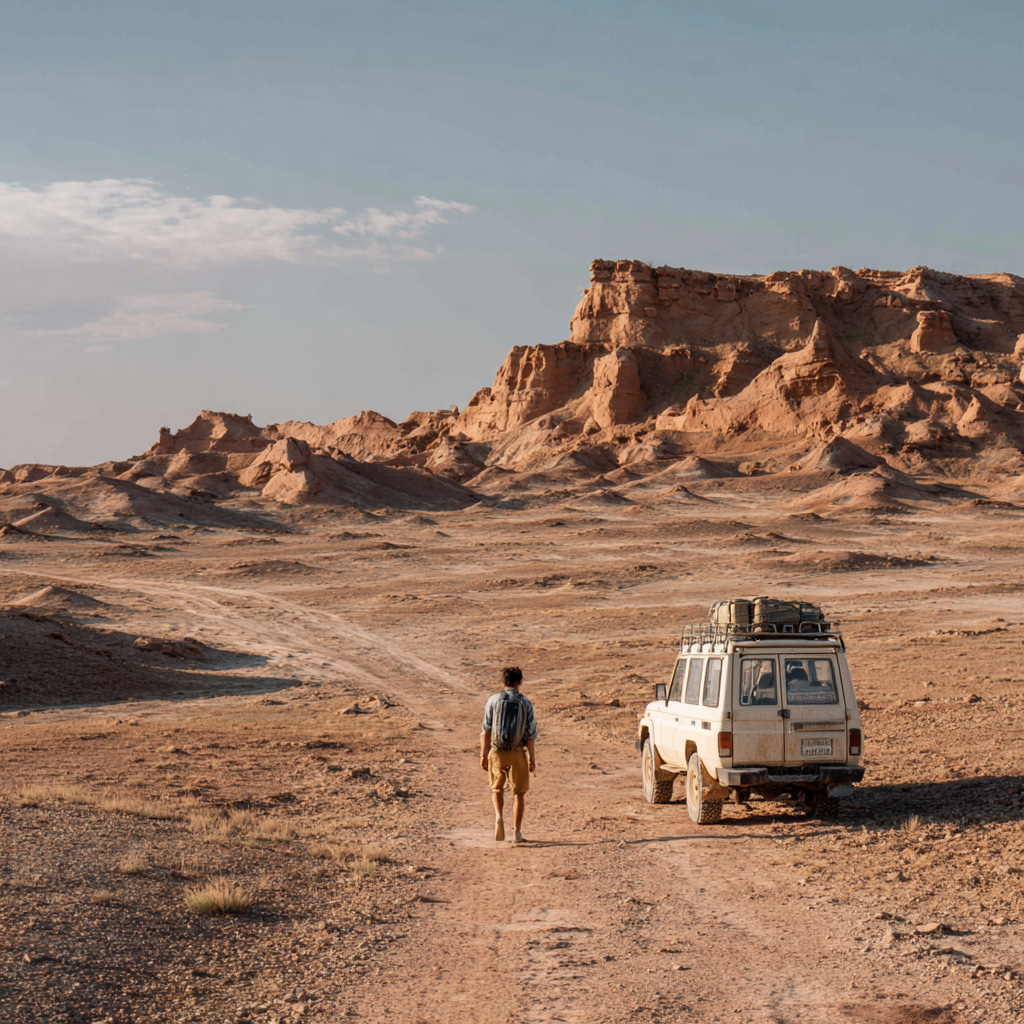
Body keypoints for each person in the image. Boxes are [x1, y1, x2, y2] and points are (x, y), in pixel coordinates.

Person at [480, 667, 537, 845]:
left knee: (497, 788)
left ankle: (498, 817)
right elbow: (530, 735)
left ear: (504, 682)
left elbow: (486, 730)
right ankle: (517, 832)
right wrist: (532, 759)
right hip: (518, 753)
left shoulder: (492, 700)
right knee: (519, 793)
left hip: (496, 752)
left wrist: (483, 755)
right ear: (520, 682)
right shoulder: (526, 703)